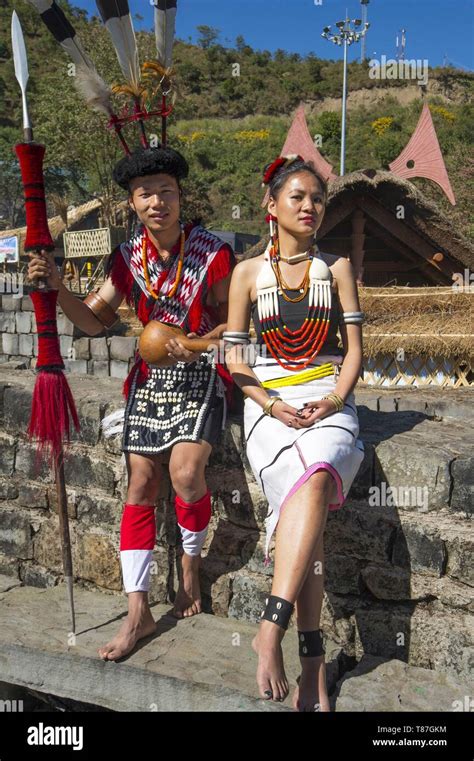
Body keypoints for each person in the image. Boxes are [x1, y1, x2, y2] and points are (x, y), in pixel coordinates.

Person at [27, 145, 236, 661]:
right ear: (132, 203)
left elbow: (236, 322)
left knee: (186, 473)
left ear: (180, 195)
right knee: (142, 480)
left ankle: (189, 563)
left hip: (200, 373)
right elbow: (95, 320)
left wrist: (192, 345)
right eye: (146, 194)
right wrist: (57, 289)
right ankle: (138, 609)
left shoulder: (213, 253)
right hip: (148, 378)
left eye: (166, 190)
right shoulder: (126, 261)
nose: (157, 201)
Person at [224, 155, 365, 711]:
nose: (309, 207)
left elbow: (354, 353)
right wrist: (272, 402)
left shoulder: (339, 268)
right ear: (271, 206)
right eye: (298, 197)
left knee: (313, 479)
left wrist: (332, 401)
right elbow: (236, 358)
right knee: (308, 525)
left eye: (317, 199)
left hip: (330, 397)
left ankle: (270, 626)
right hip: (269, 403)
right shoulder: (247, 275)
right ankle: (313, 671)